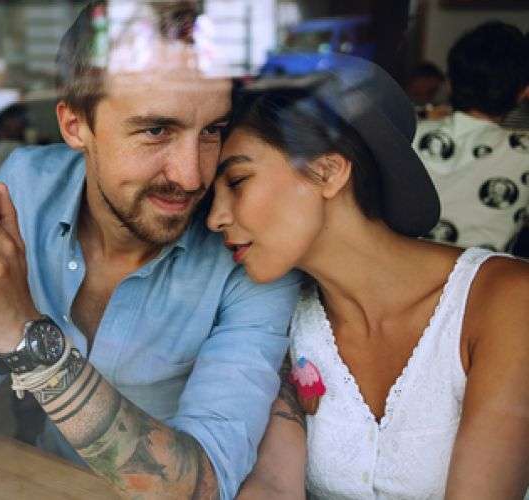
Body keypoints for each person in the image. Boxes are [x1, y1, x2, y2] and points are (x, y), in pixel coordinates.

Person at [0, 2, 300, 499]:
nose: (192, 176)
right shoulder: (24, 189)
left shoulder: (247, 249)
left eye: (211, 130)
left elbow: (203, 483)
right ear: (75, 125)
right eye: (156, 130)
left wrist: (25, 335)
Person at [204, 55, 529, 499]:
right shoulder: (281, 315)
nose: (215, 219)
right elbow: (272, 485)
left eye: (237, 180)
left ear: (327, 171)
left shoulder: (505, 302)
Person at [415, 21, 529, 253]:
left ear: (449, 83)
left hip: (394, 270)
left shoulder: (405, 133)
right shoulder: (523, 152)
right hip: (478, 275)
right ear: (523, 92)